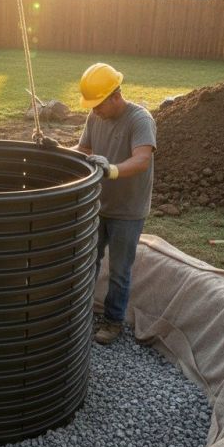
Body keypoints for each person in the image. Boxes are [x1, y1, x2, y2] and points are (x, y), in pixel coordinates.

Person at [74, 62, 156, 345]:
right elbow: (83, 151)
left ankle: (112, 321)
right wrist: (56, 150)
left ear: (115, 96)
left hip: (128, 211)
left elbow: (143, 159)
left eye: (99, 104)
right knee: (87, 262)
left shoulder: (139, 119)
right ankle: (80, 313)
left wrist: (112, 170)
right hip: (97, 206)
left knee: (120, 271)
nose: (94, 110)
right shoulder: (95, 117)